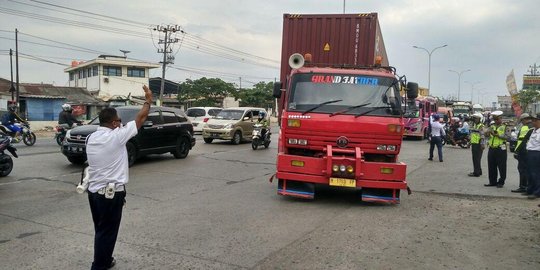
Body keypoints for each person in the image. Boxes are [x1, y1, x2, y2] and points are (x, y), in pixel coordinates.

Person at [86, 85, 152, 270]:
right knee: (107, 232)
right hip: (110, 194)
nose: (121, 123)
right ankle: (98, 266)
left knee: (101, 230)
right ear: (114, 123)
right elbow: (142, 117)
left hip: (93, 193)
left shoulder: (91, 138)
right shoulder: (117, 137)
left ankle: (105, 260)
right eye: (119, 120)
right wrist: (148, 99)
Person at [485, 111, 508, 188]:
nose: (496, 121)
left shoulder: (505, 126)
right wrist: (487, 134)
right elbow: (487, 136)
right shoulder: (492, 126)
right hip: (492, 148)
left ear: (501, 118)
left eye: (497, 119)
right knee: (491, 166)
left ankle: (501, 182)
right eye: (495, 119)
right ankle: (492, 181)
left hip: (501, 149)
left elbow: (508, 137)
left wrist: (498, 135)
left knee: (501, 166)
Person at [511, 113, 533, 193]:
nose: (522, 122)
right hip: (529, 151)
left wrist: (516, 151)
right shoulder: (532, 126)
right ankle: (527, 186)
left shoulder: (525, 127)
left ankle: (523, 186)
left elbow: (521, 142)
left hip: (523, 151)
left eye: (522, 120)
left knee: (522, 169)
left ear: (524, 119)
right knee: (527, 169)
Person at [526, 113, 540, 199]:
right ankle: (530, 189)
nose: (533, 122)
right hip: (531, 153)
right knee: (530, 173)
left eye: (535, 120)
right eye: (533, 120)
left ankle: (537, 192)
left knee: (536, 174)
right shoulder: (533, 130)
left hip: (537, 154)